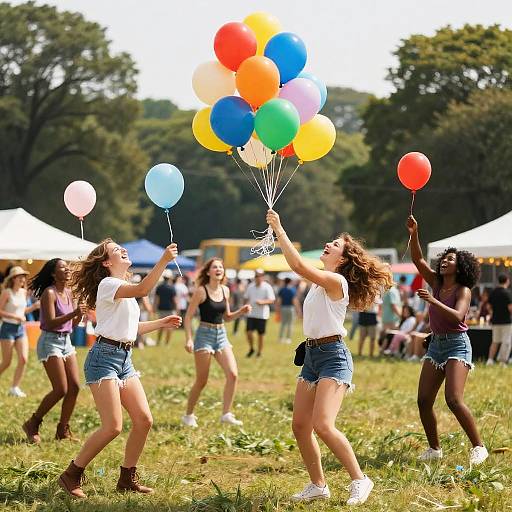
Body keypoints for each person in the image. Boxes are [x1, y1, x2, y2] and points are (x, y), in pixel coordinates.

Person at [267, 209, 392, 506]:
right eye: (331, 241)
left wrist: (279, 228)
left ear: (344, 259)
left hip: (334, 357)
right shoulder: (320, 282)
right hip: (311, 356)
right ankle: (318, 485)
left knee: (323, 424)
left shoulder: (337, 283)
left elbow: (297, 265)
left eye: (335, 245)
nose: (328, 244)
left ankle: (360, 480)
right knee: (300, 426)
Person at [58, 239, 181, 498]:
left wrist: (161, 323)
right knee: (112, 426)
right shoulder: (108, 284)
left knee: (144, 420)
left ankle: (127, 478)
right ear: (106, 262)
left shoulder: (122, 289)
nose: (123, 249)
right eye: (116, 250)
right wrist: (164, 260)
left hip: (124, 358)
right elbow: (143, 289)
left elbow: (129, 330)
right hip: (103, 358)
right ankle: (71, 475)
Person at [407, 215, 488, 466]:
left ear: (460, 265)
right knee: (423, 401)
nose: (444, 262)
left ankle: (479, 447)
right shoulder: (437, 282)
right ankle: (434, 449)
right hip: (436, 345)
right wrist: (414, 233)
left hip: (457, 344)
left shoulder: (463, 289)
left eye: (450, 260)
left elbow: (458, 316)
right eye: (443, 259)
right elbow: (418, 260)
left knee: (453, 399)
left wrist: (432, 300)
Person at [22, 259, 86, 443]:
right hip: (49, 341)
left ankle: (62, 430)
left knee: (74, 387)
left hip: (66, 341)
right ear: (53, 273)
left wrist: (79, 313)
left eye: (67, 267)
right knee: (60, 389)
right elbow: (49, 322)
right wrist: (74, 314)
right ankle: (33, 423)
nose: (67, 270)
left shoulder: (68, 292)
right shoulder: (49, 293)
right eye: (62, 268)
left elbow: (71, 324)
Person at [182, 258, 251, 428]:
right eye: (215, 267)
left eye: (221, 267)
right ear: (208, 272)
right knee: (202, 380)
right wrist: (189, 339)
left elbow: (226, 317)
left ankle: (226, 414)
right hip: (204, 335)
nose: (218, 269)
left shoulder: (226, 291)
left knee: (233, 374)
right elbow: (188, 317)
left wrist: (240, 312)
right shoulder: (201, 291)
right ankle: (188, 415)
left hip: (221, 335)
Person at [0, 266, 40, 397]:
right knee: (7, 362)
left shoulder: (23, 292)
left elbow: (22, 312)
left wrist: (33, 307)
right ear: (13, 278)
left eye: (24, 276)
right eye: (20, 276)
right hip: (8, 328)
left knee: (23, 359)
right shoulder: (7, 292)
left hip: (20, 329)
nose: (23, 279)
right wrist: (15, 317)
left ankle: (14, 388)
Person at [244, 269, 275, 357]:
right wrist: (245, 306)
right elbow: (246, 297)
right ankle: (251, 348)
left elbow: (272, 300)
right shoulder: (250, 286)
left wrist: (262, 302)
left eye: (259, 276)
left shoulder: (267, 287)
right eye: (256, 276)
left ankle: (259, 352)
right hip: (251, 313)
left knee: (260, 334)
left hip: (262, 315)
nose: (258, 278)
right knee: (248, 332)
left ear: (263, 277)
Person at [486, 274, 512, 365]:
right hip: (506, 321)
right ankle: (502, 361)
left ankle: (490, 360)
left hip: (495, 321)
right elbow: (510, 308)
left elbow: (488, 306)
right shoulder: (507, 293)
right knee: (506, 342)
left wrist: (492, 313)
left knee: (495, 341)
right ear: (507, 281)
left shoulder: (493, 292)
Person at [154, 270, 177, 345]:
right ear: (170, 278)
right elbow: (175, 300)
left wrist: (154, 308)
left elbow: (157, 299)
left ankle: (158, 341)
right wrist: (177, 309)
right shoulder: (172, 288)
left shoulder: (159, 287)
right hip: (170, 309)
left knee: (160, 326)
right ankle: (167, 343)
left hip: (161, 309)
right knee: (169, 328)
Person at [276, 278, 300, 344]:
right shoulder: (292, 289)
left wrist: (277, 309)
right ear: (290, 282)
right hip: (291, 308)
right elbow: (294, 300)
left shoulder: (282, 289)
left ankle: (280, 338)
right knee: (290, 324)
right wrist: (298, 310)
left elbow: (279, 301)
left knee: (283, 324)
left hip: (283, 308)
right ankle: (288, 339)